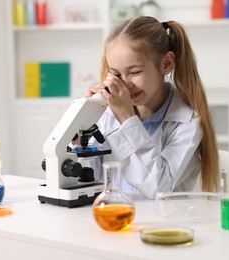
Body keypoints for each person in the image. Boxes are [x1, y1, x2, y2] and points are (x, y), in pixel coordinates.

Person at [83, 16, 219, 199]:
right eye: (115, 74)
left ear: (166, 63)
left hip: (163, 221)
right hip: (114, 219)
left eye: (135, 72)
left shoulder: (188, 122)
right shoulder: (107, 114)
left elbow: (159, 188)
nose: (124, 85)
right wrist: (80, 123)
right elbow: (89, 179)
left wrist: (127, 119)